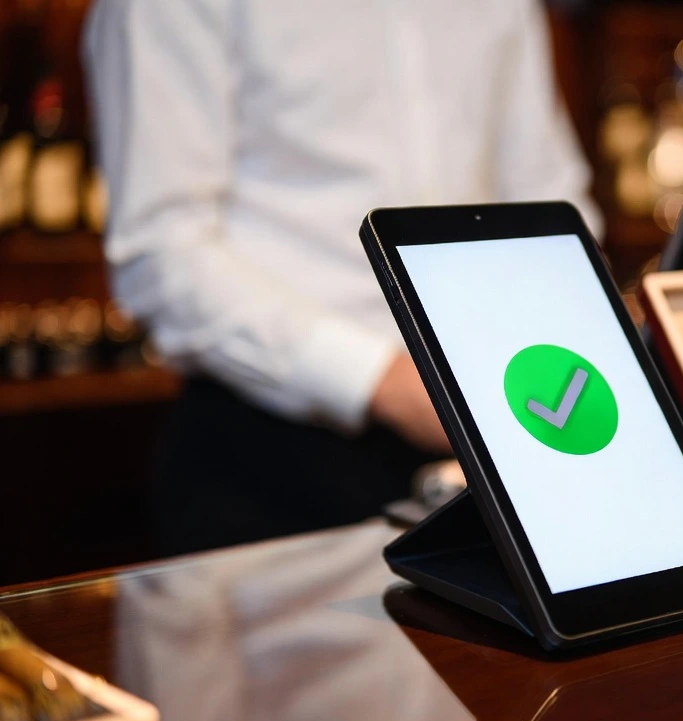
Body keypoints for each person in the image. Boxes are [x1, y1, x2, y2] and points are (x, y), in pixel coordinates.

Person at [83, 0, 600, 555]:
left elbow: (550, 201)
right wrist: (390, 383)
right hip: (275, 456)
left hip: (499, 423)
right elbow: (163, 252)